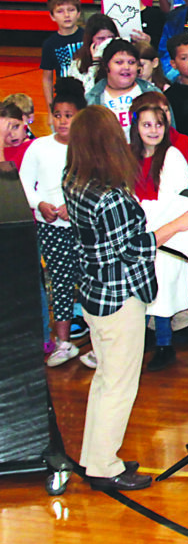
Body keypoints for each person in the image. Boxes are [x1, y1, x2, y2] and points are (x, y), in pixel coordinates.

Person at [63, 106, 188, 491]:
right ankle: (104, 467)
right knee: (119, 385)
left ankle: (94, 455)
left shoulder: (74, 179)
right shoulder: (109, 197)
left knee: (106, 379)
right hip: (120, 296)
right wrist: (177, 225)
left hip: (94, 292)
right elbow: (133, 248)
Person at [129, 103, 188, 372]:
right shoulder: (129, 156)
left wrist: (148, 215)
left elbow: (176, 198)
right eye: (147, 125)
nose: (153, 130)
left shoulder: (172, 156)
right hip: (138, 233)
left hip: (166, 232)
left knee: (162, 290)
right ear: (136, 127)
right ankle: (144, 339)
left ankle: (164, 344)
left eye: (159, 124)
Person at [20, 91, 85, 366]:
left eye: (68, 116)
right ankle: (64, 343)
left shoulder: (88, 148)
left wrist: (76, 207)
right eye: (57, 115)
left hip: (84, 228)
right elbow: (24, 183)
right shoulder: (38, 148)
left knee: (91, 281)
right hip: (52, 228)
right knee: (61, 281)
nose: (62, 121)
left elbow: (98, 182)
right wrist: (40, 204)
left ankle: (101, 341)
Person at [87, 39, 160, 135]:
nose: (126, 67)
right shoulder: (91, 99)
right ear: (106, 66)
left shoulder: (153, 93)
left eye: (131, 62)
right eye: (119, 62)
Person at [40, 0, 83, 109]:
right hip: (65, 98)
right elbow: (47, 79)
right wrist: (50, 108)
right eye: (60, 11)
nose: (66, 15)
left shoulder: (88, 37)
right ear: (52, 16)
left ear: (78, 13)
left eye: (71, 10)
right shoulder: (50, 44)